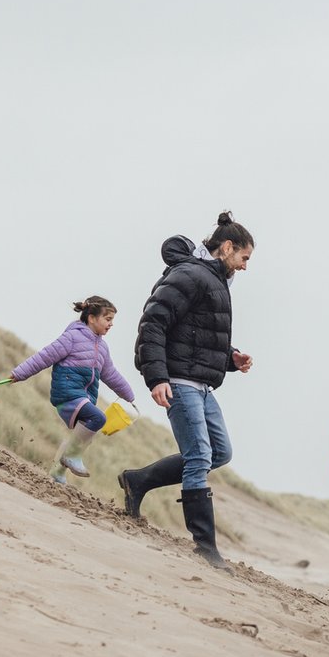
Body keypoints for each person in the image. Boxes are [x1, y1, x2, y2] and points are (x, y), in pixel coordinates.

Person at [122, 211, 255, 569]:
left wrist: (231, 357)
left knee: (219, 452)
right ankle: (206, 547)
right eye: (244, 258)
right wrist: (157, 377)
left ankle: (138, 480)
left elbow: (194, 334)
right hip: (179, 381)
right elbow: (154, 322)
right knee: (198, 456)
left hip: (202, 385)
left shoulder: (213, 281)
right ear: (227, 248)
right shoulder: (190, 275)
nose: (244, 266)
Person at [8, 296, 136, 483]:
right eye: (108, 319)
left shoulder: (102, 348)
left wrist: (129, 396)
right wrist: (20, 373)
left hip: (84, 397)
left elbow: (110, 374)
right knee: (98, 418)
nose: (111, 324)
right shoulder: (72, 337)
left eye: (112, 321)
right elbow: (45, 356)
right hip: (67, 393)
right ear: (92, 318)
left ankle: (57, 472)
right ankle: (71, 458)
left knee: (82, 436)